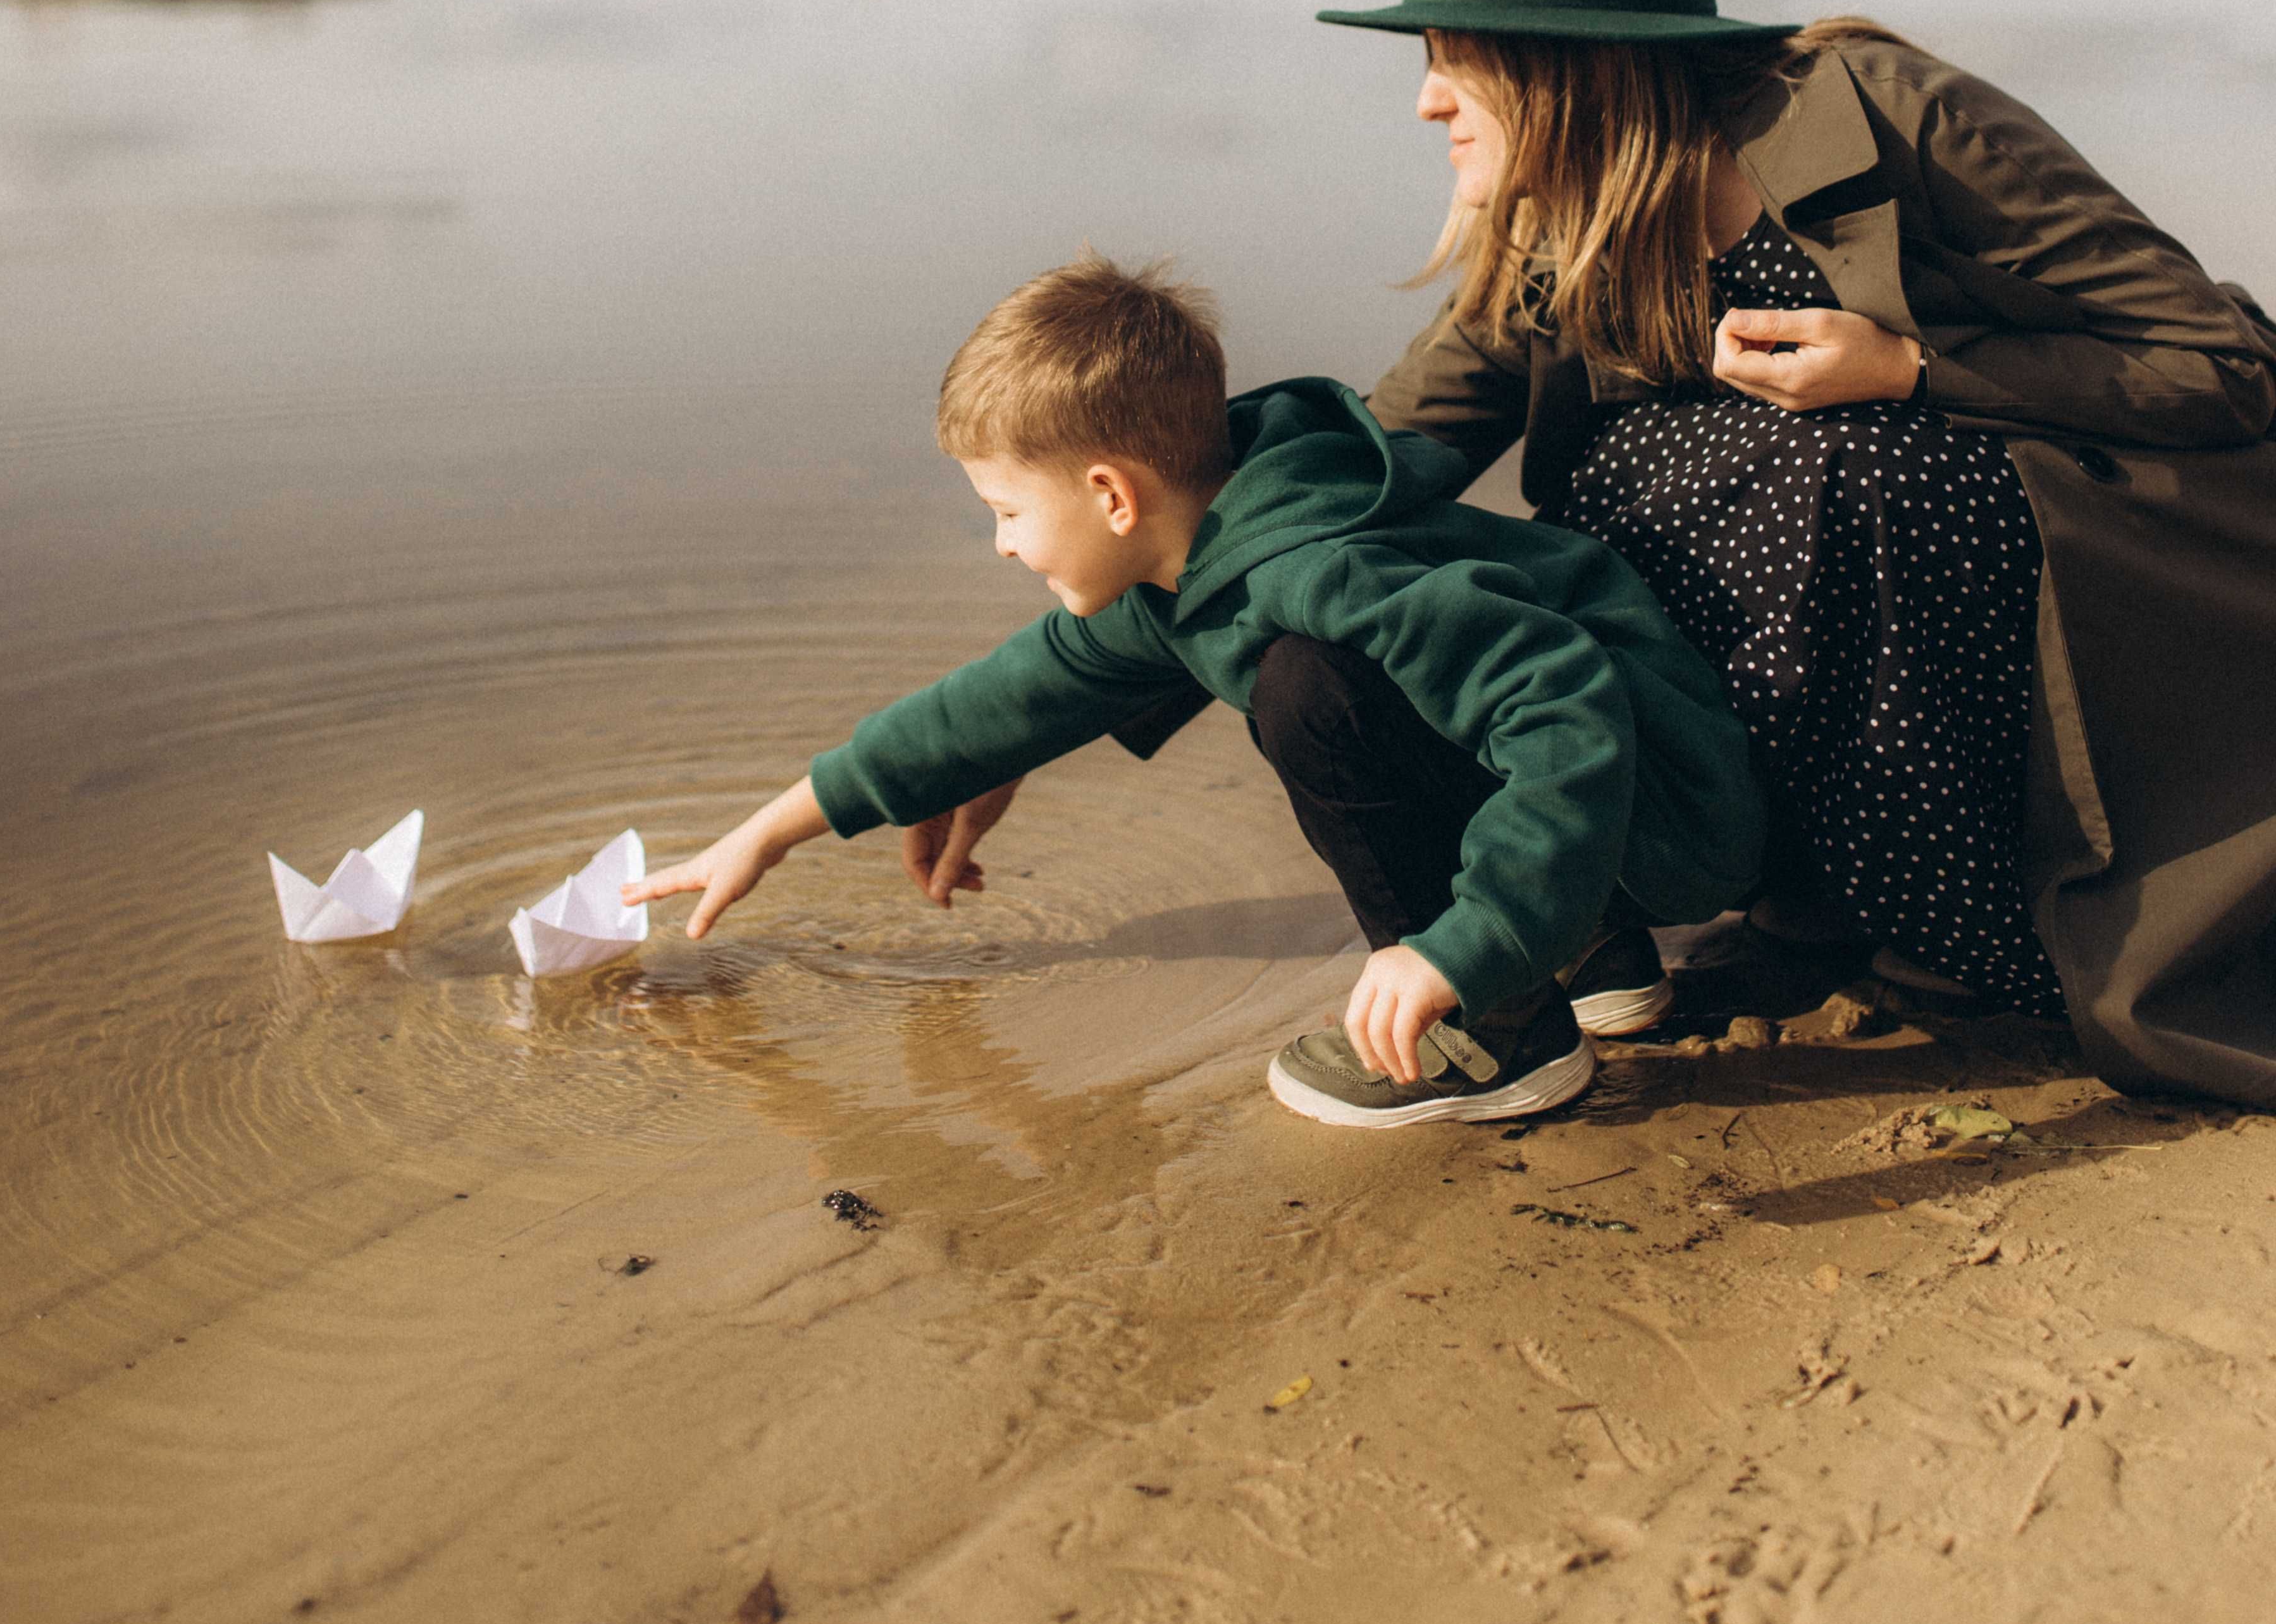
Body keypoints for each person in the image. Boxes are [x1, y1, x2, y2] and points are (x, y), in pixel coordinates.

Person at [1316, 0, 2276, 1106]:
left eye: (1455, 64)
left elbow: (2228, 362)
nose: (1428, 103)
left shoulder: (1892, 112)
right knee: (1497, 547)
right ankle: (1736, 899)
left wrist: (1913, 372)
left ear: (1570, 63)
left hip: (2073, 608)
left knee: (1835, 471)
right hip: (1800, 675)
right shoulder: (1565, 215)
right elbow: (1372, 466)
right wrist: (1109, 582)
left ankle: (1962, 930)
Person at [628, 253, 1765, 1129]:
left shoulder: (1310, 569)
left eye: (1005, 512)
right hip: (1620, 824)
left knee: (1308, 694)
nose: (1001, 548)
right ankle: (1588, 953)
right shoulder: (1206, 553)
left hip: (1670, 813)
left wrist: (1454, 949)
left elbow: (1560, 708)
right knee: (1320, 684)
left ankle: (1498, 1028)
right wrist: (774, 829)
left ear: (1113, 496)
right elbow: (1009, 697)